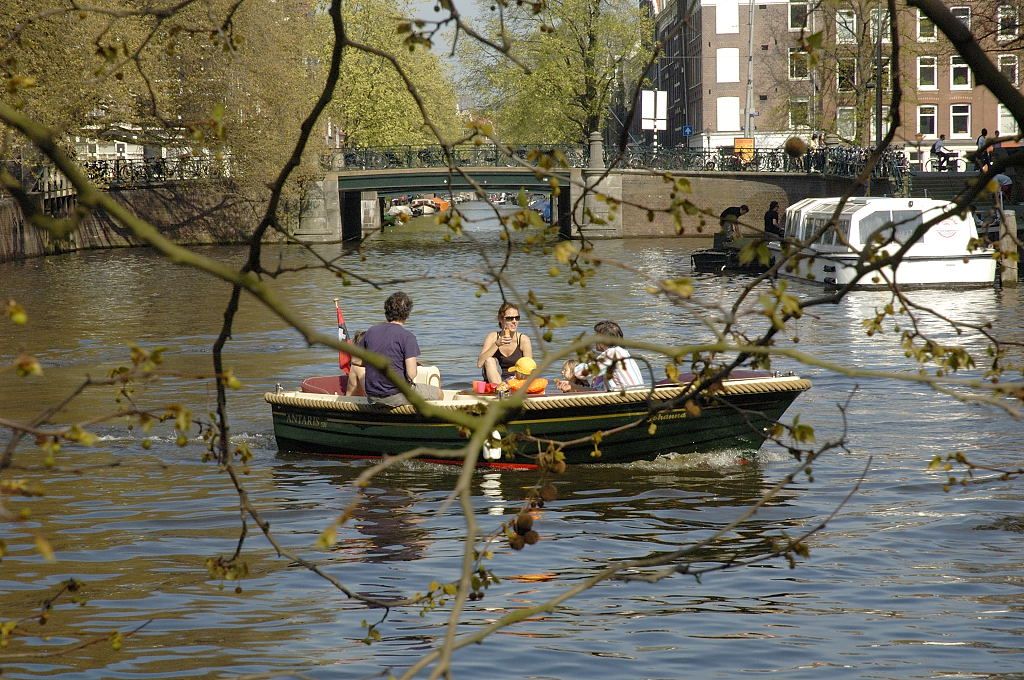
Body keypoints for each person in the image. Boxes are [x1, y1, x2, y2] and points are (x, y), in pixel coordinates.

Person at [358, 291, 442, 406]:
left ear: (386, 311)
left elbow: (355, 360)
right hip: (396, 396)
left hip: (372, 396)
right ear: (407, 314)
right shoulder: (407, 336)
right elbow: (411, 374)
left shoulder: (371, 331)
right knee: (438, 394)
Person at [559, 320, 644, 392]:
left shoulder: (612, 353)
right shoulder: (623, 352)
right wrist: (573, 386)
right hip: (636, 394)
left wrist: (574, 368)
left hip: (629, 396)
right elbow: (597, 391)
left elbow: (581, 373)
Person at [477, 302, 533, 384]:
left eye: (517, 318)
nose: (514, 321)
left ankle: (505, 390)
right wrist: (496, 344)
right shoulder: (492, 337)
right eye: (510, 318)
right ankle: (501, 389)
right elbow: (479, 364)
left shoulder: (523, 340)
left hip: (515, 382)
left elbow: (529, 369)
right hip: (494, 382)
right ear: (500, 319)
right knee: (489, 360)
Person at [345, 330, 367, 397]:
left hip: (352, 400)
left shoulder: (356, 363)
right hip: (354, 404)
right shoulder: (359, 367)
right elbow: (367, 392)